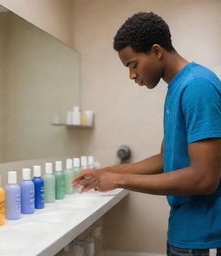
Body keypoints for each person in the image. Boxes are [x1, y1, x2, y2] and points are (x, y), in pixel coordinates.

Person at [72, 12, 221, 255]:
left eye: (133, 64)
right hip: (184, 231)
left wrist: (120, 180)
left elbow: (204, 178)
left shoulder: (197, 86)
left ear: (156, 51)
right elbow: (166, 159)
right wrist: (105, 172)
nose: (132, 75)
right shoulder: (178, 88)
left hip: (204, 236)